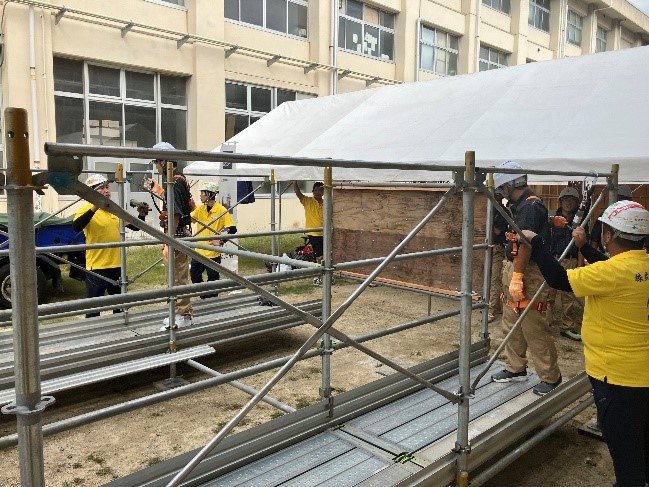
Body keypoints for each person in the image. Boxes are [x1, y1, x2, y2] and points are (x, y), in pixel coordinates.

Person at [518, 200, 649, 487]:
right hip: (643, 376)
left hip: (618, 379)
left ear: (608, 235)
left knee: (627, 458)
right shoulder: (638, 265)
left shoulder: (610, 274)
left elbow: (559, 278)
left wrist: (536, 241)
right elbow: (615, 268)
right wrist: (584, 247)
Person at [490, 161, 562, 396]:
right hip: (514, 266)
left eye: (502, 189)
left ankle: (550, 377)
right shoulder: (519, 205)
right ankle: (516, 367)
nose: (502, 193)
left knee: (533, 325)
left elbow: (526, 243)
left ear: (509, 186)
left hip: (528, 270)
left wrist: (518, 276)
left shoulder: (530, 206)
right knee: (511, 320)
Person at [73, 174, 149, 318]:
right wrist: (96, 206)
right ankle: (93, 331)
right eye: (102, 188)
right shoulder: (86, 209)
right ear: (91, 192)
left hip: (117, 265)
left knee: (120, 307)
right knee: (94, 309)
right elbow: (76, 227)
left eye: (107, 187)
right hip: (97, 267)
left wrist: (141, 215)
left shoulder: (113, 209)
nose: (107, 191)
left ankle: (119, 330)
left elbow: (135, 227)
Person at [144, 142, 194, 331]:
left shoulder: (174, 182)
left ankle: (182, 315)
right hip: (177, 235)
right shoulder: (178, 180)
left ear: (164, 162)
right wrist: (158, 190)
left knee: (178, 277)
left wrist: (169, 241)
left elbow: (175, 214)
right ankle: (179, 312)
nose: (156, 167)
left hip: (176, 236)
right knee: (175, 276)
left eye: (157, 162)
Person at [545, 186, 584, 341]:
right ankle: (545, 324)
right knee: (548, 293)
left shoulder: (581, 220)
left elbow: (581, 246)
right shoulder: (552, 219)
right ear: (560, 202)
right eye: (565, 200)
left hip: (570, 260)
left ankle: (567, 326)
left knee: (568, 296)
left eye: (571, 200)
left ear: (576, 203)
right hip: (554, 259)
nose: (568, 203)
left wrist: (580, 264)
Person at [190, 181, 237, 298]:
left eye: (202, 193)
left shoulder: (221, 210)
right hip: (199, 250)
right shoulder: (200, 208)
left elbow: (232, 229)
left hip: (212, 253)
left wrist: (220, 241)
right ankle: (204, 296)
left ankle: (212, 301)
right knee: (195, 277)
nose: (200, 195)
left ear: (210, 194)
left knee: (213, 280)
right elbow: (189, 219)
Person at [293, 181, 324, 284]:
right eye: (316, 190)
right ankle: (317, 276)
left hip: (325, 233)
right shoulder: (307, 201)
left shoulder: (326, 203)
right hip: (313, 234)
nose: (318, 192)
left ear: (324, 192)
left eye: (320, 190)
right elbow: (298, 193)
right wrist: (295, 182)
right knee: (320, 256)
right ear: (313, 191)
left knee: (326, 255)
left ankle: (324, 274)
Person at [590, 184, 633, 253]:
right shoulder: (604, 215)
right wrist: (593, 256)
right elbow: (594, 240)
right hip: (606, 255)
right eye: (619, 199)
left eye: (624, 199)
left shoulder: (635, 217)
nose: (621, 203)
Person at [488, 197, 509, 323]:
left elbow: (497, 230)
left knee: (495, 279)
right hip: (496, 248)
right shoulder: (496, 210)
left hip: (499, 248)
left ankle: (492, 309)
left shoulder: (501, 211)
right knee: (497, 279)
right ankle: (497, 306)